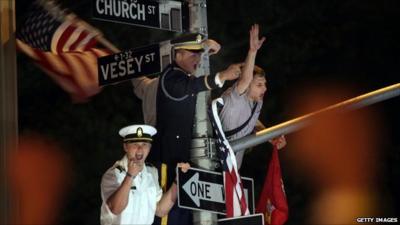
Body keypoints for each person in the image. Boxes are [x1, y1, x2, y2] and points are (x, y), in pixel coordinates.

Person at [149, 33, 241, 225]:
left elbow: (193, 75)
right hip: (166, 162)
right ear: (178, 54)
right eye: (193, 54)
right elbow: (193, 86)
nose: (198, 59)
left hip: (181, 163)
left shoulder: (182, 73)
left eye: (200, 54)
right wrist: (223, 75)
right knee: (165, 218)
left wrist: (205, 47)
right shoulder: (170, 78)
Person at [218, 24, 286, 169]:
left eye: (265, 84)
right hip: (215, 167)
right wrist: (252, 51)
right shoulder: (234, 97)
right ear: (248, 84)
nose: (265, 88)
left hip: (233, 171)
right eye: (259, 85)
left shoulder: (256, 102)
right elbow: (244, 80)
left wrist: (271, 137)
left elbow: (253, 121)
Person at [100, 124, 190, 225]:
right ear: (125, 147)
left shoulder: (152, 172)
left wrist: (178, 180)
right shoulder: (113, 174)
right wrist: (130, 176)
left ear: (150, 147)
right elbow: (115, 209)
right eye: (135, 144)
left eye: (144, 144)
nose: (140, 149)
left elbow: (160, 210)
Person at [131, 39, 222, 127]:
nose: (198, 60)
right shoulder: (177, 84)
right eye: (194, 55)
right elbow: (197, 81)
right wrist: (205, 47)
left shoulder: (150, 85)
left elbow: (133, 72)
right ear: (178, 56)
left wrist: (120, 60)